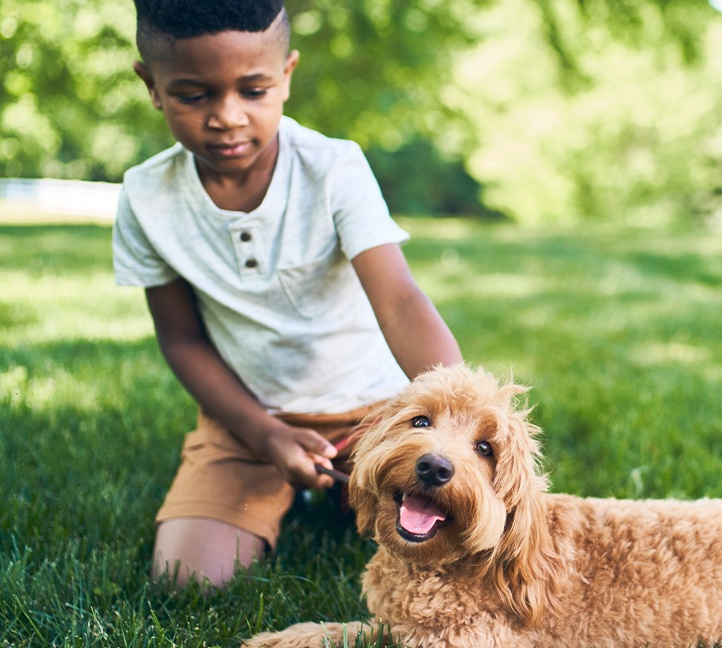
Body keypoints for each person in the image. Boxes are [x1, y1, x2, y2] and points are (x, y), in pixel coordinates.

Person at [112, 0, 462, 589]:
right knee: (187, 581)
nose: (227, 117)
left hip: (376, 415)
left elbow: (399, 301)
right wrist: (266, 435)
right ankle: (300, 489)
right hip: (252, 422)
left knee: (453, 552)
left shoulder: (334, 168)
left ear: (287, 76)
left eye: (253, 90)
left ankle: (343, 489)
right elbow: (182, 339)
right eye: (193, 95)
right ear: (151, 84)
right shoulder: (145, 198)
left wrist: (456, 421)